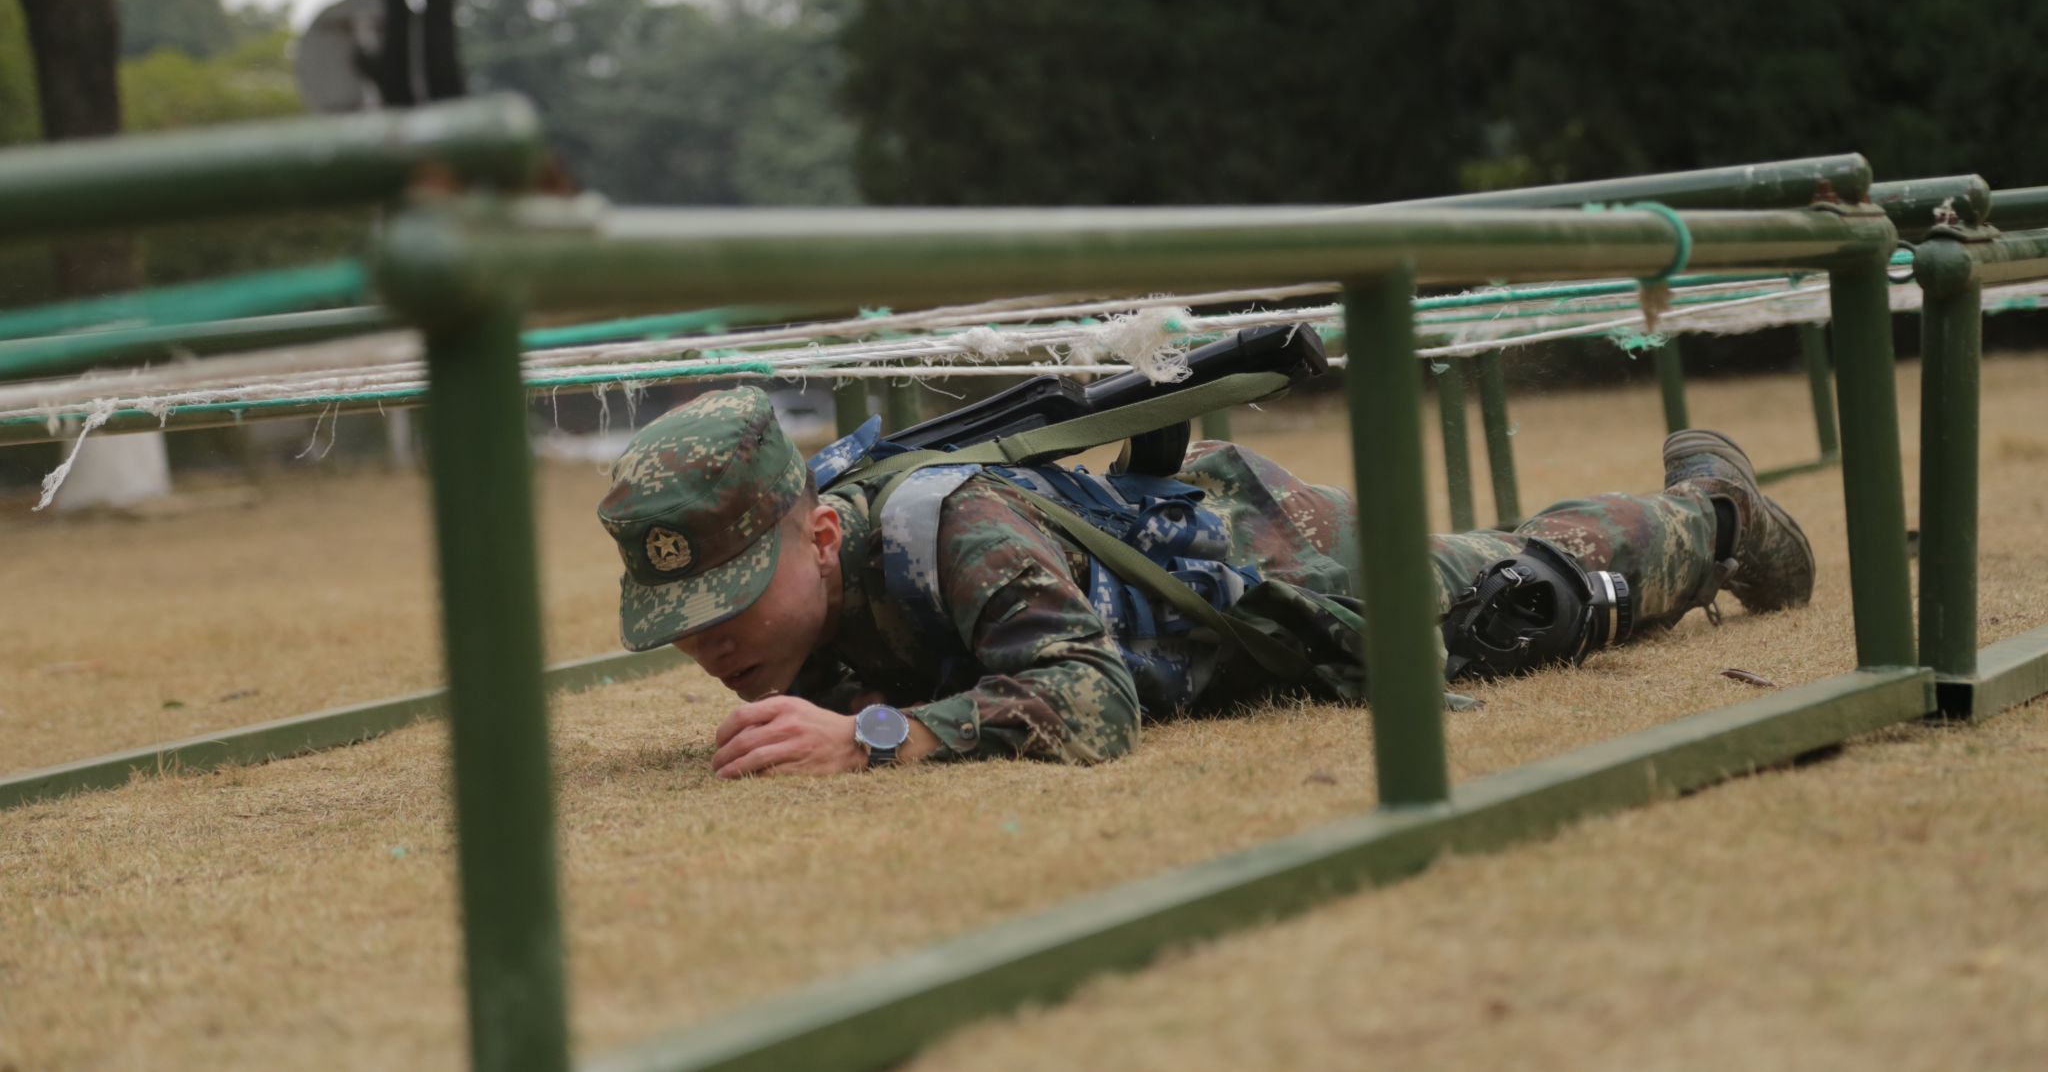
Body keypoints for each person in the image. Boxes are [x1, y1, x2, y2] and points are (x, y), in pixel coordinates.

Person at [596, 386, 1814, 778]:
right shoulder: (816, 604)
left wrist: (878, 738)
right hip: (1206, 594)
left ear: (819, 536)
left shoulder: (951, 527)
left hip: (1281, 566)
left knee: (1527, 593)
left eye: (728, 601)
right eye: (679, 621)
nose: (705, 642)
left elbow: (1091, 702)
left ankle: (1718, 510)